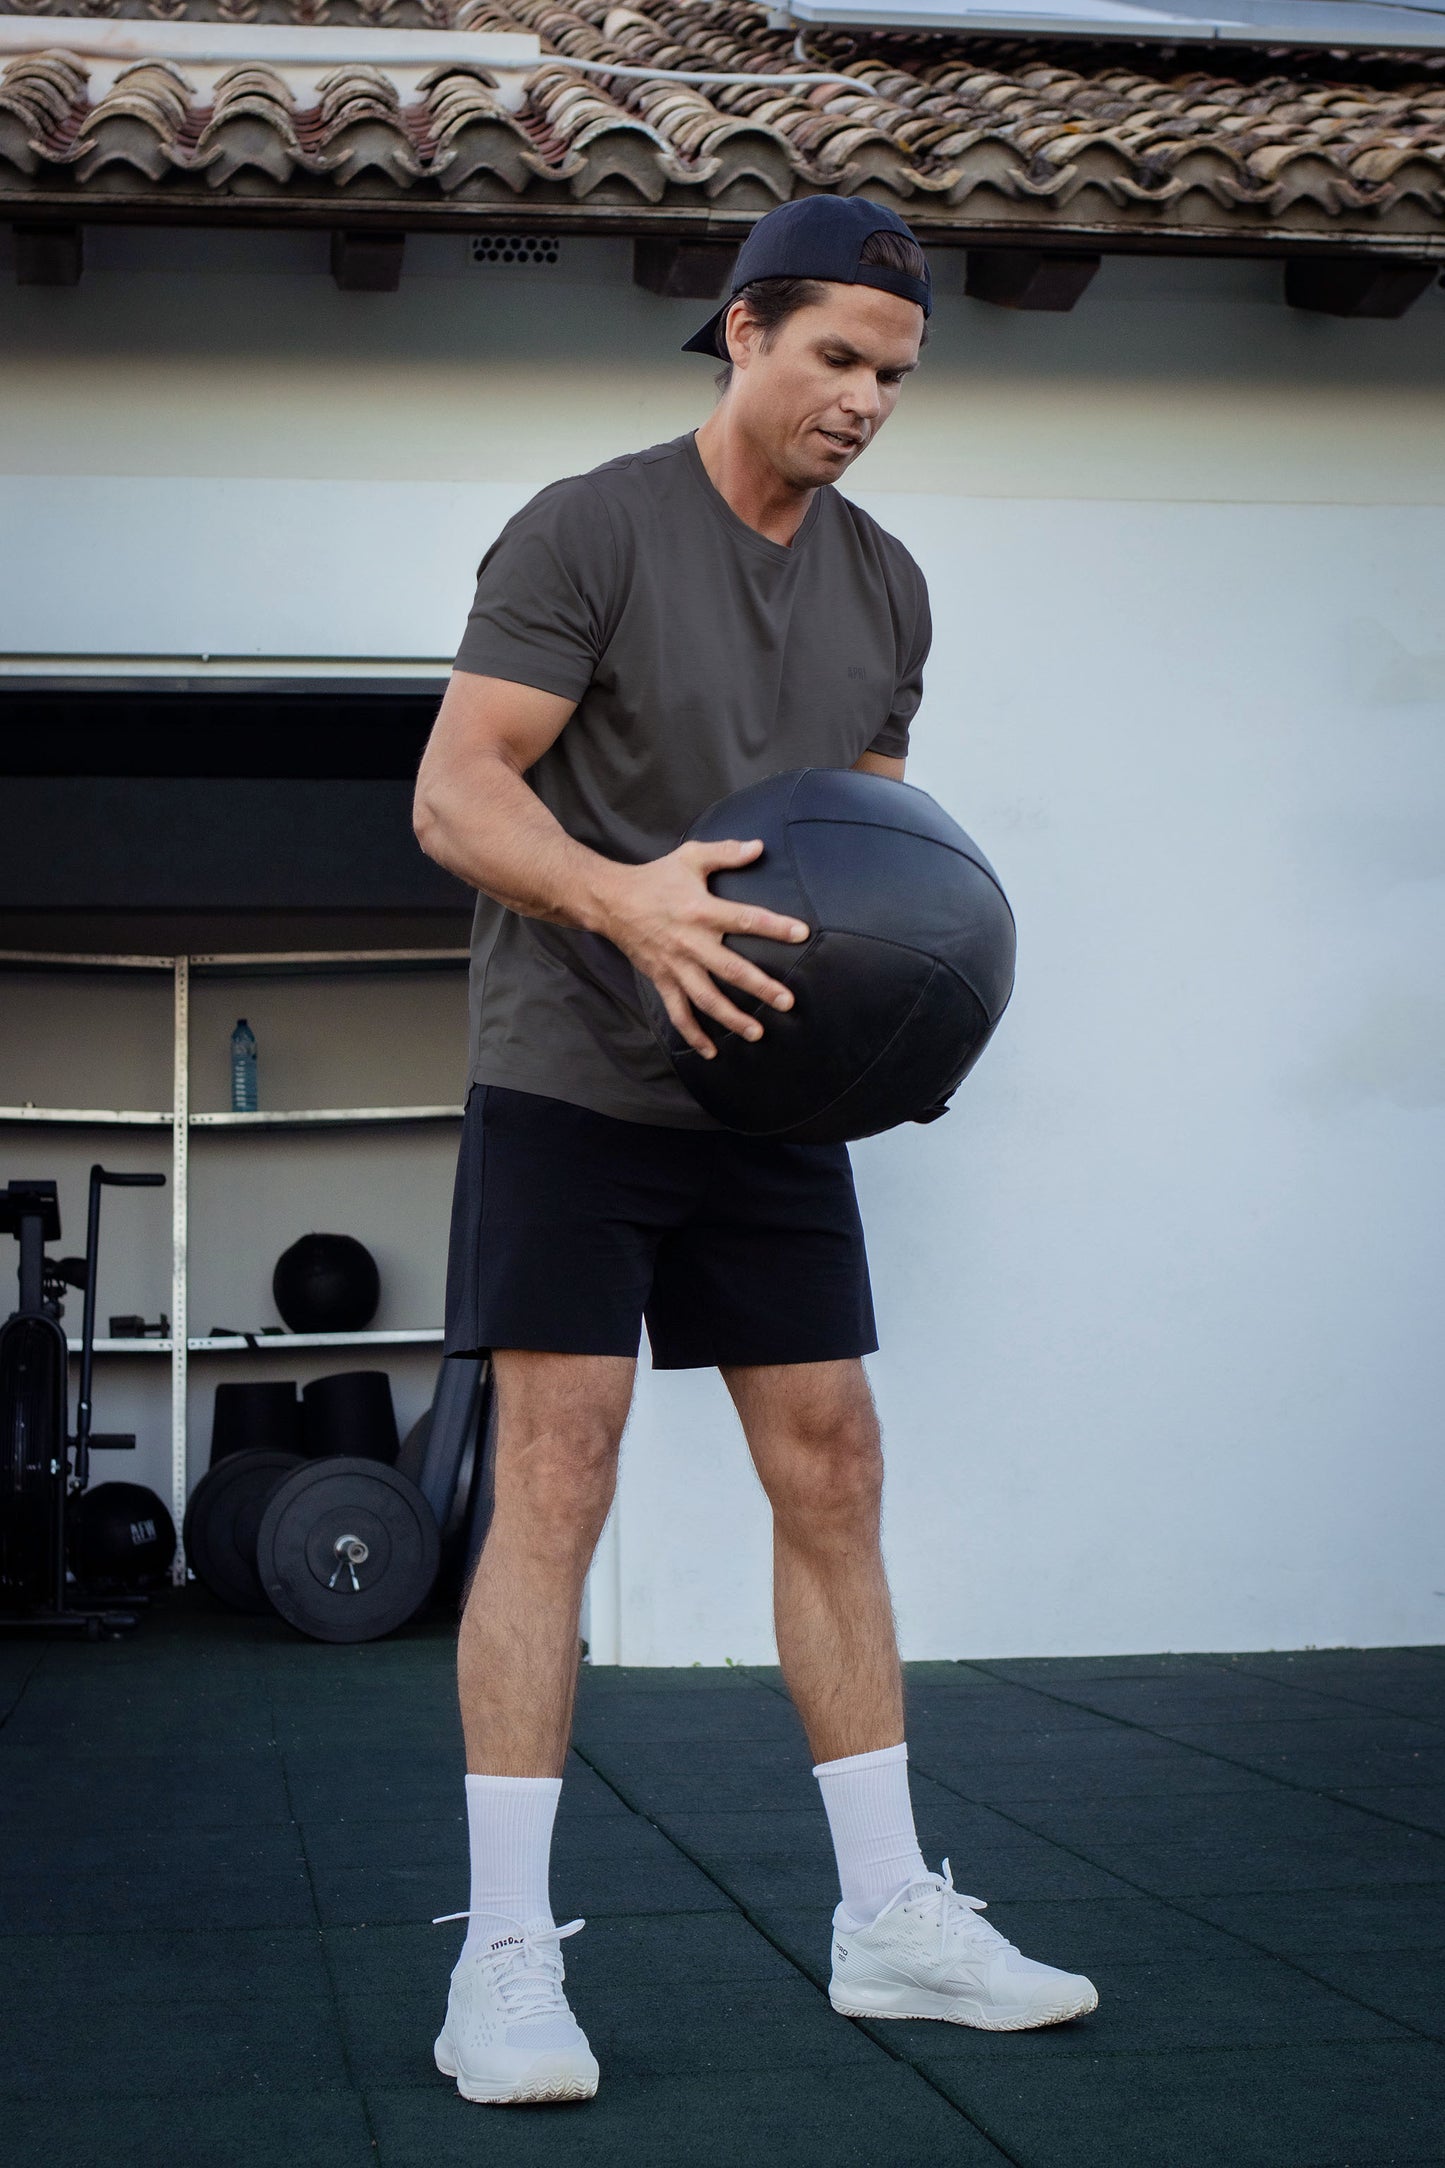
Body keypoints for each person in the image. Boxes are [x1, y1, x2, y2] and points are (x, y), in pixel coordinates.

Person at [412, 195, 1098, 2108]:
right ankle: (505, 1960)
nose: (866, 398)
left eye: (894, 371)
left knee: (834, 1462)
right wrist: (628, 907)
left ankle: (889, 1919)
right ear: (741, 332)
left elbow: (865, 851)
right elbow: (457, 792)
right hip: (573, 1070)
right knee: (559, 1471)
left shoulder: (887, 588)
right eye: (834, 357)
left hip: (761, 1099)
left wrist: (904, 1015)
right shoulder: (589, 527)